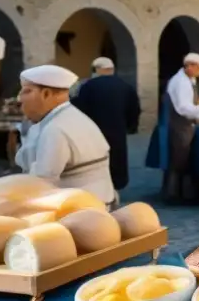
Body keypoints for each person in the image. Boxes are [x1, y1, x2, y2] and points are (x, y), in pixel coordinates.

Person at [16, 65, 115, 205]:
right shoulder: (72, 116)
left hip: (81, 210)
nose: (19, 98)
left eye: (26, 91)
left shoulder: (55, 129)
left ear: (46, 94)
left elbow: (41, 182)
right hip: (99, 200)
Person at [72, 57, 141, 206]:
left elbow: (80, 109)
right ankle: (116, 188)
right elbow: (134, 109)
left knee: (97, 162)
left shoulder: (88, 86)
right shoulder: (125, 86)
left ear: (97, 69)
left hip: (94, 132)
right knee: (116, 160)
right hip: (118, 131)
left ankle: (99, 192)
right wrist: (131, 126)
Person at [163, 53, 199, 202]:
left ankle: (179, 192)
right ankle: (175, 195)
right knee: (180, 159)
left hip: (184, 123)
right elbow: (184, 107)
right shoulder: (181, 82)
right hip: (180, 124)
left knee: (181, 158)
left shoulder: (188, 79)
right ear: (190, 66)